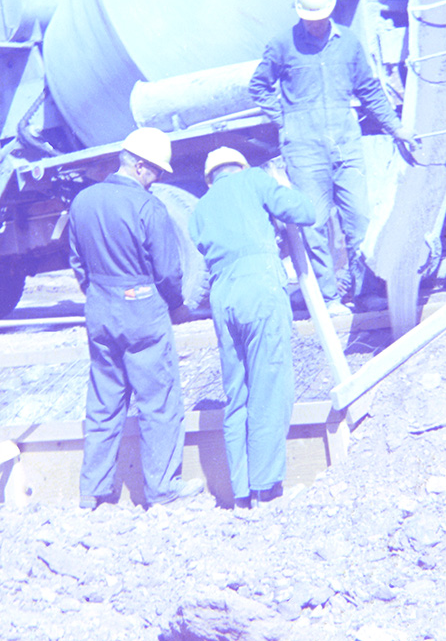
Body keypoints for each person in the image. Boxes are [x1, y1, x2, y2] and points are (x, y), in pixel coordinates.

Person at [249, 0, 414, 307]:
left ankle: (366, 292)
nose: (313, 24)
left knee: (360, 219)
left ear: (330, 11)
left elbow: (369, 90)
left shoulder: (349, 44)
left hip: (346, 144)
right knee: (314, 224)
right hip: (304, 150)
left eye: (319, 18)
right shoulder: (282, 45)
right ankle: (328, 298)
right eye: (307, 19)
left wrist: (396, 128)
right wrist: (285, 121)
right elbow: (259, 86)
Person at [68, 126, 203, 509]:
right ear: (140, 166)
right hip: (142, 309)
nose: (157, 179)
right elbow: (168, 271)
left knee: (103, 403)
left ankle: (93, 491)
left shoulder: (83, 201)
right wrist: (175, 305)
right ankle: (162, 489)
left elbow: (77, 262)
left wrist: (99, 294)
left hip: (100, 308)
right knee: (158, 402)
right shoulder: (148, 206)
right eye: (156, 171)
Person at [188, 147, 316, 508]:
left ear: (210, 179)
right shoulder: (255, 180)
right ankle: (268, 488)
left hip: (222, 295)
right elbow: (306, 212)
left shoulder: (200, 209)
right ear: (241, 167)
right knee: (270, 387)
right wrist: (279, 186)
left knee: (238, 394)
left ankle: (242, 493)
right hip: (258, 287)